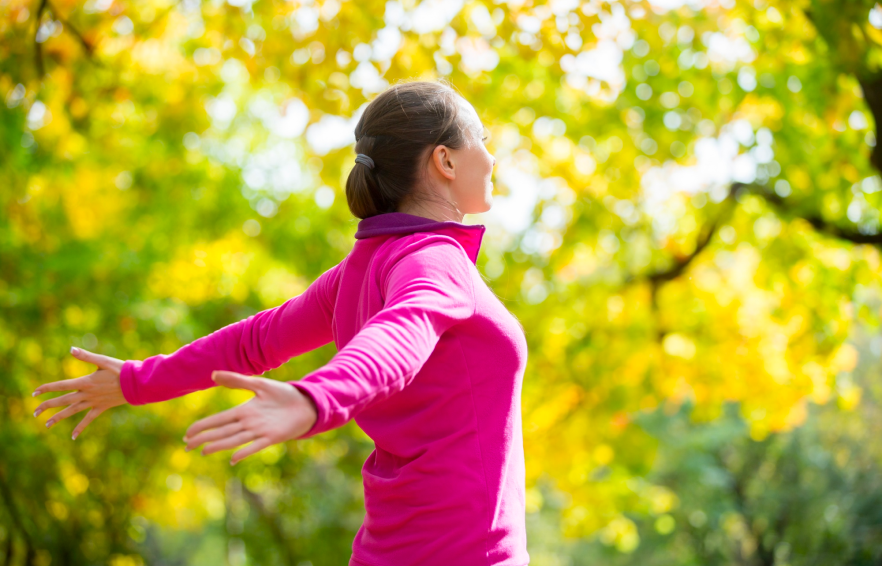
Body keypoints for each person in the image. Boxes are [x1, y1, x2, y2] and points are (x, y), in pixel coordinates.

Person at [32, 80, 530, 566]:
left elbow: (253, 342)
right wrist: (316, 399)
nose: (490, 157)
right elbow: (401, 332)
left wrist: (139, 381)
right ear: (444, 160)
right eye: (481, 141)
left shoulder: (363, 270)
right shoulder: (435, 259)